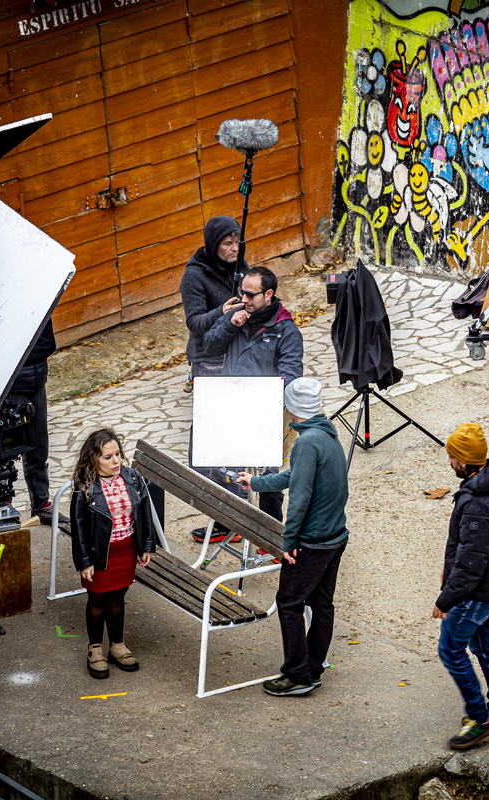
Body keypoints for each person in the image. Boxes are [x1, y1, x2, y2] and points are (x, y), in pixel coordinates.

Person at [236, 378, 348, 696]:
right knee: (322, 603)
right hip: (336, 535)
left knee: (288, 602)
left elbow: (298, 499)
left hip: (313, 541)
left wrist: (288, 543)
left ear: (291, 409)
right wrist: (256, 483)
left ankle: (298, 674)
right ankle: (313, 666)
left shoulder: (306, 443)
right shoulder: (325, 433)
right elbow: (295, 475)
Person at [200, 265, 304, 529]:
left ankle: (270, 532)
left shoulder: (287, 331)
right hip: (229, 407)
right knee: (224, 468)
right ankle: (228, 525)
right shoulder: (236, 314)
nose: (243, 299)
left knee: (268, 475)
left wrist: (261, 398)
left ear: (268, 294)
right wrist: (230, 327)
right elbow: (208, 346)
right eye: (242, 292)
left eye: (250, 295)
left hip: (264, 414)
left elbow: (291, 376)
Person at [433, 423, 489, 750]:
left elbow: (471, 561)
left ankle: (481, 720)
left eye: (453, 456)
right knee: (484, 646)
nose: (449, 461)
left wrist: (447, 599)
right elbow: (470, 549)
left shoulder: (477, 502)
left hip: (474, 594)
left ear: (465, 463)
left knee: (450, 650)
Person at [69, 428, 156, 679]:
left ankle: (117, 645)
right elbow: (79, 527)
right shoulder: (85, 487)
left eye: (117, 454)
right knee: (97, 600)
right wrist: (84, 561)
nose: (116, 460)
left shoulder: (132, 478)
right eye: (108, 457)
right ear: (93, 459)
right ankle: (95, 649)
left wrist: (146, 545)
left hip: (126, 552)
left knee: (118, 598)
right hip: (99, 557)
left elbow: (145, 513)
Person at [8, 322, 69, 529]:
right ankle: (2, 506)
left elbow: (47, 345)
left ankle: (41, 505)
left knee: (39, 449)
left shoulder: (38, 303)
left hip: (37, 383)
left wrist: (23, 351)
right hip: (10, 388)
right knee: (7, 453)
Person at [181, 216, 243, 387]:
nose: (235, 248)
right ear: (214, 244)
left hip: (239, 346)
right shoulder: (194, 276)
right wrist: (221, 313)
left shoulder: (239, 264)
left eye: (238, 242)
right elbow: (194, 323)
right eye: (227, 243)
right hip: (208, 353)